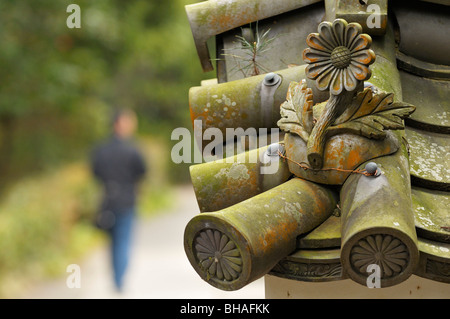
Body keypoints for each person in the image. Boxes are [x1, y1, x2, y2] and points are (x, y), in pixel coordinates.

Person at [91, 108, 147, 292]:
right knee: (123, 241)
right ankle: (119, 280)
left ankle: (116, 278)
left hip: (107, 200)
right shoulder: (133, 149)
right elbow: (142, 172)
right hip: (127, 201)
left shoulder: (101, 149)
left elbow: (95, 172)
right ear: (120, 124)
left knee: (113, 242)